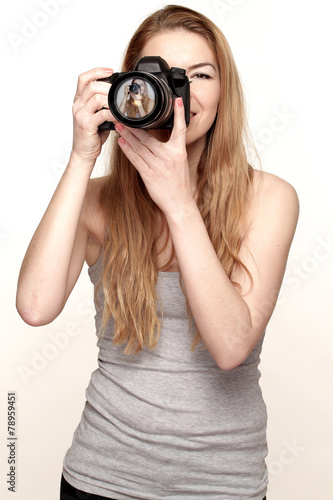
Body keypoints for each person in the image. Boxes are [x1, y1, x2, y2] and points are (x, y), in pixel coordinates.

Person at [16, 5, 299, 500]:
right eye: (162, 76)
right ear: (130, 89)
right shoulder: (98, 202)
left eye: (200, 75)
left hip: (222, 485)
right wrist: (83, 155)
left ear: (223, 92)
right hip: (100, 478)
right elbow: (35, 307)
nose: (179, 91)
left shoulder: (269, 199)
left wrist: (179, 203)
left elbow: (232, 346)